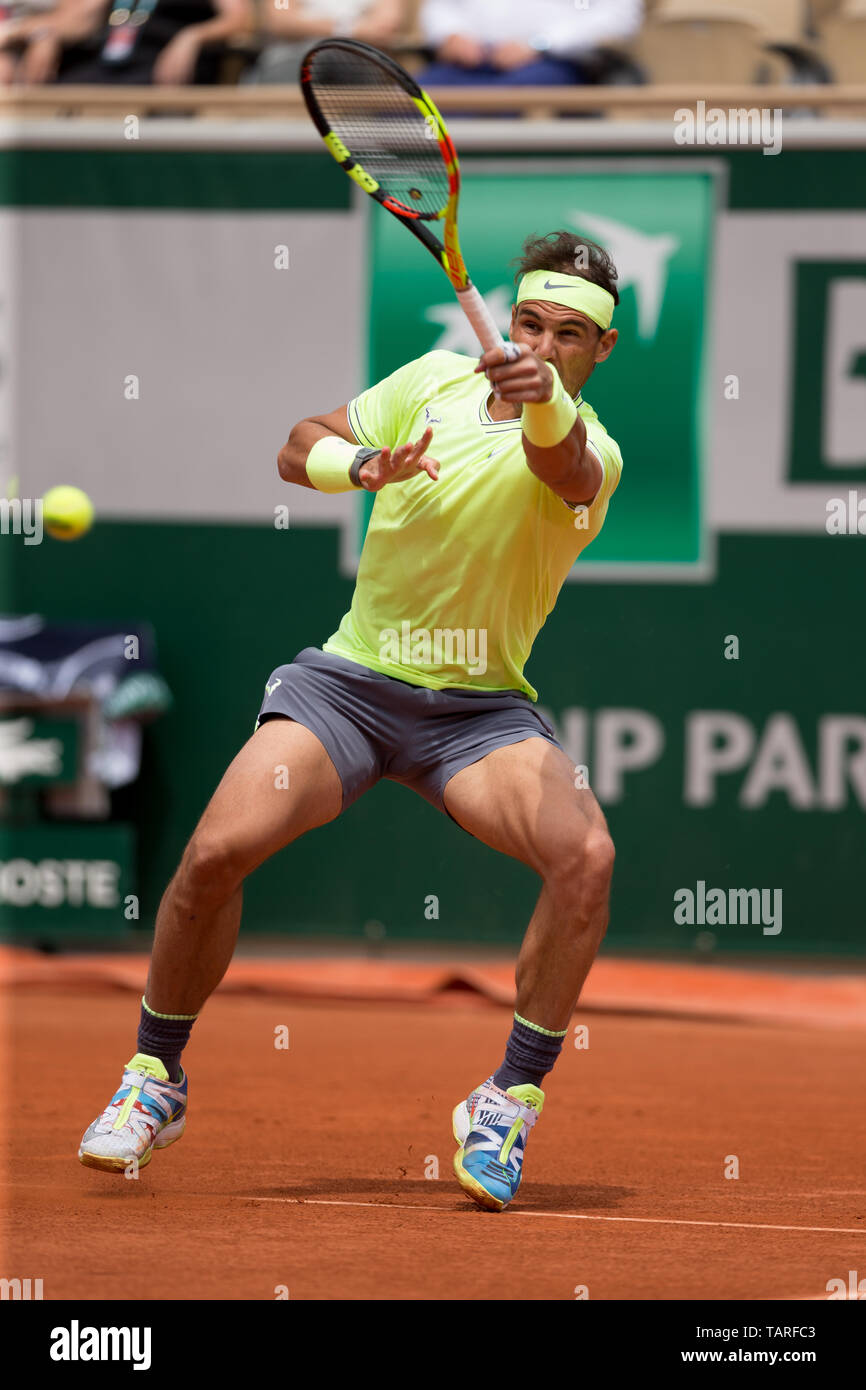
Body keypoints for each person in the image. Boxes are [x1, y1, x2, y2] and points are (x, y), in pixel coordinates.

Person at [79, 230, 623, 1214]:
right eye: (532, 323)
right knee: (211, 857)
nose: (543, 345)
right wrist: (362, 465)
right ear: (509, 319)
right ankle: (154, 1079)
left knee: (585, 855)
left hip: (478, 715)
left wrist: (542, 403)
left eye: (570, 335)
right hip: (351, 686)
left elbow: (565, 474)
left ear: (599, 352)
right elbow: (297, 445)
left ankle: (507, 1098)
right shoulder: (429, 380)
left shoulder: (593, 450)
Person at [10, 0, 251, 86]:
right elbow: (77, 21)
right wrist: (44, 35)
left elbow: (240, 19)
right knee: (49, 98)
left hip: (161, 67)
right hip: (106, 67)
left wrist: (193, 36)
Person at [418, 0, 643, 87]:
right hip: (467, 64)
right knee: (404, 104)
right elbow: (441, 7)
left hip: (554, 65)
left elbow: (619, 17)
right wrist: (451, 34)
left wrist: (539, 44)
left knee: (498, 105)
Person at [244, 0, 406, 84]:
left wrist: (306, 25)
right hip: (291, 58)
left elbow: (385, 27)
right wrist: (350, 29)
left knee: (330, 56)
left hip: (356, 59)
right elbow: (280, 20)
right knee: (311, 58)